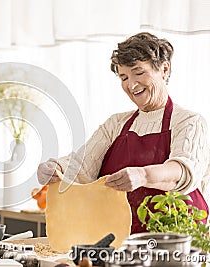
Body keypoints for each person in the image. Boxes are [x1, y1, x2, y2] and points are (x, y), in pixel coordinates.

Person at [37, 32, 210, 234]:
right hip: (121, 244)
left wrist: (143, 175)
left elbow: (182, 172)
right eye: (124, 77)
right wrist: (56, 167)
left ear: (164, 69)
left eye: (138, 72)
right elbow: (83, 167)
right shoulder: (115, 124)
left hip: (175, 242)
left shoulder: (189, 121)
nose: (131, 84)